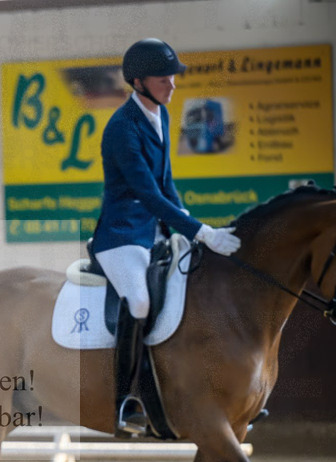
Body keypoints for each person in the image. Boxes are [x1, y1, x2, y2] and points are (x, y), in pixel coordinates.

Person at [92, 39, 240, 435]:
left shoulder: (160, 115)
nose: (173, 85)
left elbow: (167, 185)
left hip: (154, 232)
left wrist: (189, 225)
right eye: (164, 78)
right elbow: (147, 194)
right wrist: (202, 232)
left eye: (173, 77)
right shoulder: (122, 128)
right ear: (138, 82)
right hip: (121, 236)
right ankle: (125, 401)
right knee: (139, 301)